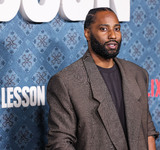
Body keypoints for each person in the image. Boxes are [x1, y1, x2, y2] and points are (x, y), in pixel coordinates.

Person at [46, 7, 159, 150]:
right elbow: (60, 143)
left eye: (117, 29)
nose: (113, 35)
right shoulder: (65, 82)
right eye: (104, 29)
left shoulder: (137, 74)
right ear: (87, 33)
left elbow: (148, 130)